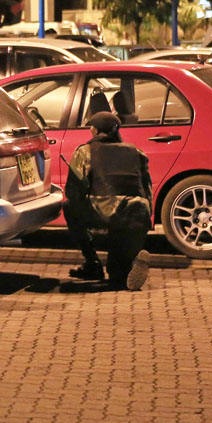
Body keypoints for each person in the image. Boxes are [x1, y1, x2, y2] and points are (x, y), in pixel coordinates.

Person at [63, 112, 153, 291]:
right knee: (117, 272)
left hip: (107, 212)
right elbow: (147, 188)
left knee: (69, 207)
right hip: (138, 212)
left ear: (94, 130)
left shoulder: (85, 152)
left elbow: (73, 191)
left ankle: (93, 262)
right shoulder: (137, 152)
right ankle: (129, 262)